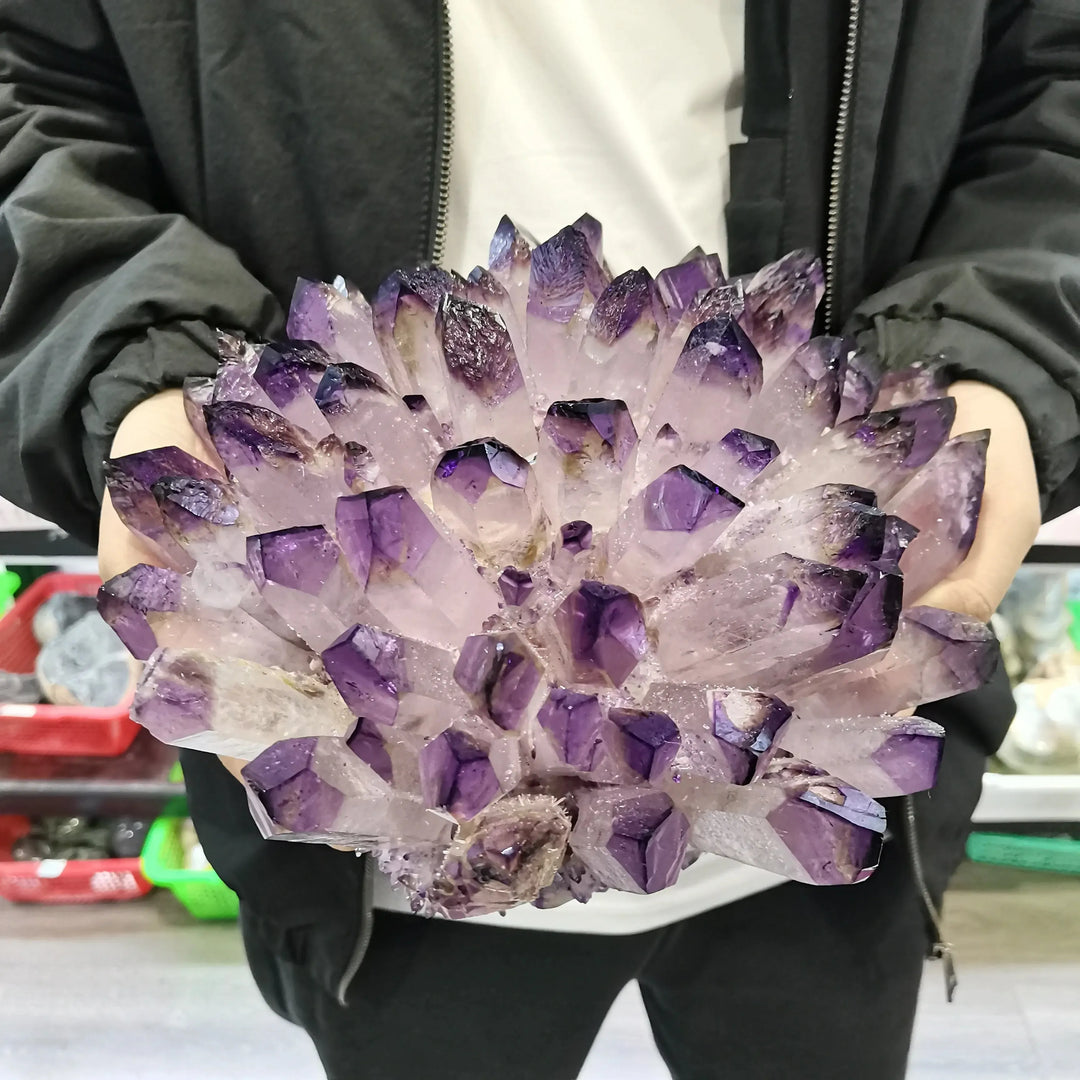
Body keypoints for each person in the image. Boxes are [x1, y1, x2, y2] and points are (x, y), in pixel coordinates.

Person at [0, 2, 1075, 1077]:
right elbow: (35, 90)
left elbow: (1052, 85)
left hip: (833, 705)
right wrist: (131, 356)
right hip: (377, 817)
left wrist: (995, 345)